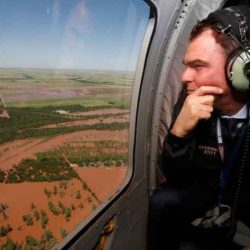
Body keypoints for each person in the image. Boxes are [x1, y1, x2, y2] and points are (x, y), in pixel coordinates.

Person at [149, 5, 250, 250]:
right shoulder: (189, 102)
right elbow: (176, 177)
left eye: (198, 65)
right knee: (162, 200)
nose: (184, 77)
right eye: (185, 65)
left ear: (241, 69)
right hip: (207, 195)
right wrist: (178, 134)